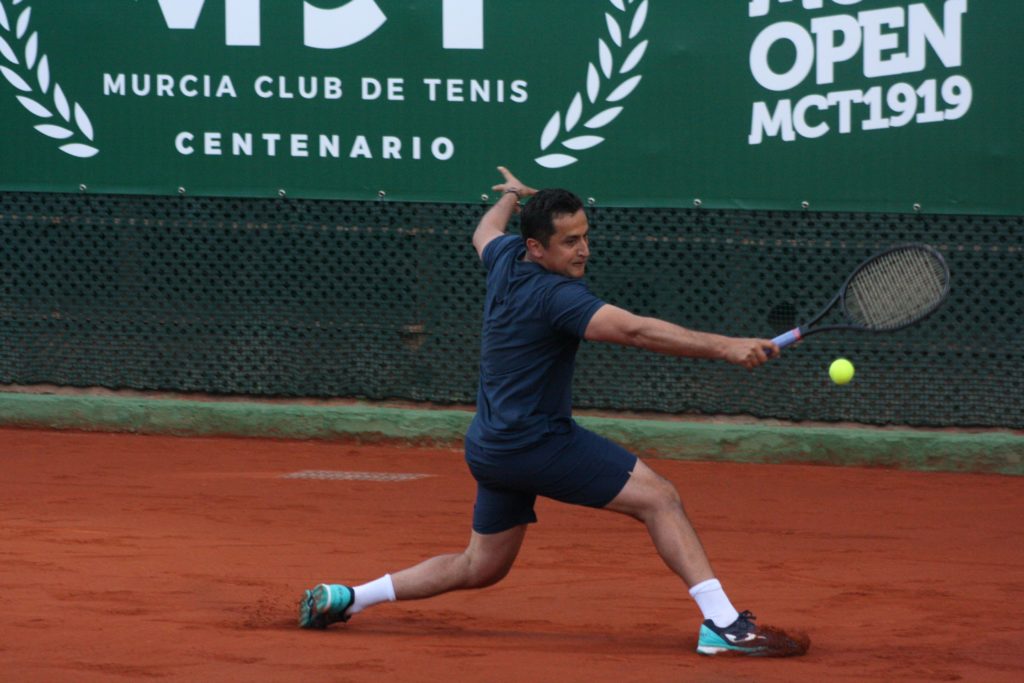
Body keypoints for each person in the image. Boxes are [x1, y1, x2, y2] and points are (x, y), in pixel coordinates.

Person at [299, 167, 808, 657]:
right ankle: (722, 625)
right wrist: (726, 348)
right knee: (659, 498)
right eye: (569, 241)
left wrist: (512, 196)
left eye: (585, 236)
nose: (583, 249)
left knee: (481, 566)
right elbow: (635, 330)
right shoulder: (556, 296)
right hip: (536, 443)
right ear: (536, 248)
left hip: (492, 445)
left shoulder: (504, 259)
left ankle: (348, 597)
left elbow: (484, 229)